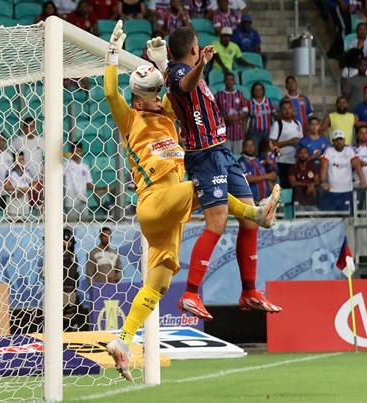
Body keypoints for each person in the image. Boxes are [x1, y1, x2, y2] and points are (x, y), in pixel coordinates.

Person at [104, 25, 280, 380]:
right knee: (206, 186)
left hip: (168, 219)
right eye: (150, 95)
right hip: (155, 202)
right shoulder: (130, 119)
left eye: (157, 94)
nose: (156, 99)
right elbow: (111, 92)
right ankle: (255, 213)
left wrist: (157, 60)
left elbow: (175, 91)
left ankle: (122, 340)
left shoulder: (167, 117)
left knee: (159, 282)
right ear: (138, 99)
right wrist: (112, 54)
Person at [161, 27, 282, 323]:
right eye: (197, 47)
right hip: (204, 157)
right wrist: (201, 65)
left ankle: (250, 290)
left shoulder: (186, 69)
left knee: (250, 220)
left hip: (222, 152)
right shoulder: (179, 73)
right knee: (216, 223)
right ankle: (190, 293)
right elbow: (186, 86)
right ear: (192, 50)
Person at [320, 130, 366, 212]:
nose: (339, 142)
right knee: (331, 217)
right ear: (333, 141)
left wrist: (363, 180)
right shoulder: (329, 151)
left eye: (341, 139)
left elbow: (357, 165)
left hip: (347, 190)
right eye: (336, 140)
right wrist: (323, 181)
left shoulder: (349, 150)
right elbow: (324, 167)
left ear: (344, 140)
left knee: (348, 217)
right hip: (332, 191)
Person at [64, 142, 106, 221]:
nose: (77, 153)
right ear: (72, 152)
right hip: (71, 201)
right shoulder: (66, 165)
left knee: (84, 227)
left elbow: (88, 184)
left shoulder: (85, 167)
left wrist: (100, 188)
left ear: (82, 151)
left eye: (79, 151)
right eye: (75, 151)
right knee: (71, 226)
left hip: (83, 200)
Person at [269, 100, 303, 192]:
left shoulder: (297, 123)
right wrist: (289, 142)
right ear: (280, 111)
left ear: (292, 109)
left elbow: (300, 141)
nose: (287, 111)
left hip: (295, 161)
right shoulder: (277, 125)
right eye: (284, 109)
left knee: (296, 188)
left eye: (289, 108)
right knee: (285, 187)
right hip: (282, 161)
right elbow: (271, 144)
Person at [216, 72, 249, 154]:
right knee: (226, 156)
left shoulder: (240, 94)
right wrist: (224, 118)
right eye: (227, 80)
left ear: (234, 81)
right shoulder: (219, 95)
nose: (229, 82)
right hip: (224, 133)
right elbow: (215, 112)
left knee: (238, 157)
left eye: (231, 80)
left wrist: (236, 118)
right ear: (224, 81)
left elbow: (245, 112)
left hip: (238, 132)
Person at [238, 138, 275, 203]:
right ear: (243, 148)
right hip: (251, 202)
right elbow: (247, 178)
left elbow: (269, 177)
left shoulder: (257, 160)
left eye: (252, 145)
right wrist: (266, 176)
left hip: (265, 201)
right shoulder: (241, 162)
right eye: (247, 146)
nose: (250, 148)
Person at [288, 146, 319, 212]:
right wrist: (308, 185)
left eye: (305, 153)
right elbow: (293, 183)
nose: (303, 155)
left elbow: (317, 181)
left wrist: (312, 185)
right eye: (301, 153)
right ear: (297, 155)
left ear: (308, 155)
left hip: (312, 202)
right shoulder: (293, 168)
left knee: (317, 217)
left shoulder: (313, 166)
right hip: (298, 202)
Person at [4, 152, 34, 217]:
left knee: (25, 222)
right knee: (12, 222)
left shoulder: (27, 172)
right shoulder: (10, 171)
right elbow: (6, 186)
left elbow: (33, 186)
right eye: (19, 159)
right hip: (13, 199)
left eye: (22, 159)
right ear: (15, 160)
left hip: (24, 200)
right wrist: (18, 189)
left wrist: (23, 191)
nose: (21, 161)